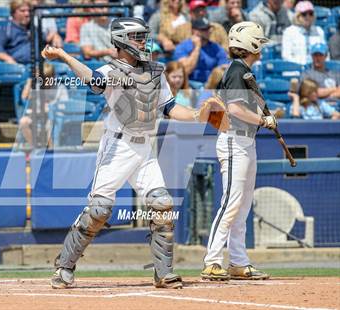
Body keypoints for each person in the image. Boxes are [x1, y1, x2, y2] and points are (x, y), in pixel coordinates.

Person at [41, 17, 218, 289]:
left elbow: (169, 108)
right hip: (117, 146)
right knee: (99, 210)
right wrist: (65, 56)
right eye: (137, 37)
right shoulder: (110, 70)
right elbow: (93, 80)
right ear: (122, 41)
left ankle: (163, 272)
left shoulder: (156, 71)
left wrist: (197, 115)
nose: (143, 42)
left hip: (145, 148)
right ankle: (64, 266)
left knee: (162, 204)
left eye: (143, 36)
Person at [201, 21, 275, 281]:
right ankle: (212, 261)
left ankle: (238, 262)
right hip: (233, 140)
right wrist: (263, 120)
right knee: (231, 202)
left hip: (246, 142)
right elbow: (233, 109)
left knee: (242, 206)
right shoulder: (235, 69)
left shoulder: (243, 70)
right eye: (258, 43)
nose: (261, 48)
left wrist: (264, 117)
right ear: (250, 45)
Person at [18, 62, 69, 147]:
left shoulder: (61, 88)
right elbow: (24, 96)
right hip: (37, 116)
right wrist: (31, 80)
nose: (46, 82)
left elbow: (63, 107)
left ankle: (52, 150)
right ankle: (34, 147)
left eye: (48, 78)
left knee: (51, 124)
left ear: (53, 77)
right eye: (43, 79)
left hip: (53, 118)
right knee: (23, 122)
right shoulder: (37, 86)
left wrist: (49, 108)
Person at [173, 17, 228, 83]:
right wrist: (197, 47)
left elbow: (224, 69)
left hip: (211, 85)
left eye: (209, 28)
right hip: (190, 85)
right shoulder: (182, 47)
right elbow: (186, 71)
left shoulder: (217, 48)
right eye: (205, 29)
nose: (209, 31)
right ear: (194, 31)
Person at [281, 1, 325, 65]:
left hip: (316, 71)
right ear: (297, 16)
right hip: (294, 71)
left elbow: (325, 54)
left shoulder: (319, 31)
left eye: (311, 13)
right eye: (304, 14)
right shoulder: (289, 32)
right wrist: (303, 66)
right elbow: (286, 56)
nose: (308, 17)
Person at [0, 0, 33, 64]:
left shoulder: (34, 27)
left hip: (36, 64)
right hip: (17, 66)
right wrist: (10, 60)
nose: (27, 14)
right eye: (22, 11)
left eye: (29, 11)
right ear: (13, 13)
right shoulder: (6, 29)